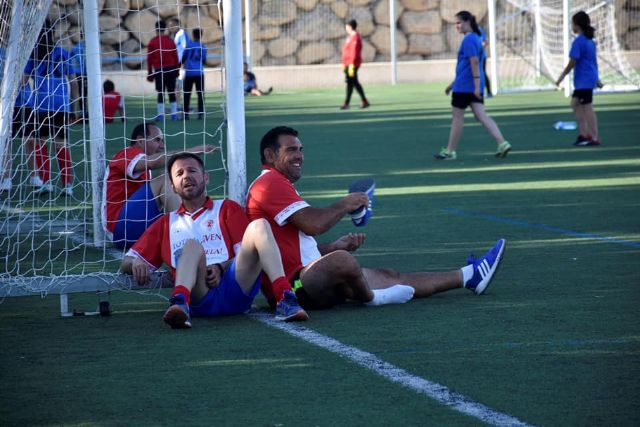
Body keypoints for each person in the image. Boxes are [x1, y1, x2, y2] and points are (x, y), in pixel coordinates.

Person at [246, 126, 507, 311]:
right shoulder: (269, 183)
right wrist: (347, 204)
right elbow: (313, 224)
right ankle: (373, 299)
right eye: (291, 150)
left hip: (307, 275)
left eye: (301, 149)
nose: (300, 156)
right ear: (270, 156)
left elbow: (290, 247)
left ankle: (469, 275)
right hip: (296, 286)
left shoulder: (279, 183)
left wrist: (330, 247)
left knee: (388, 273)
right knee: (342, 261)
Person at [121, 152, 309, 328]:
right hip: (199, 295)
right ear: (172, 187)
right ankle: (180, 303)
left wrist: (220, 267)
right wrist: (136, 262)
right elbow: (127, 262)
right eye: (179, 173)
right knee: (192, 246)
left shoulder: (227, 208)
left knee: (259, 225)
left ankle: (285, 298)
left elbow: (245, 253)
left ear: (206, 178)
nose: (186, 176)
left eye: (192, 171)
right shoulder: (164, 223)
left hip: (235, 287)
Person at [102, 122, 216, 249]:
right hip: (120, 229)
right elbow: (153, 162)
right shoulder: (126, 153)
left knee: (171, 177)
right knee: (166, 178)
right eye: (157, 140)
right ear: (140, 140)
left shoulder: (146, 171)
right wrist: (192, 151)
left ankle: (196, 227)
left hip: (137, 227)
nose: (162, 145)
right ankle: (184, 235)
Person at [435, 11, 511, 161]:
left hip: (465, 87)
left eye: (459, 22)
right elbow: (466, 67)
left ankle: (450, 151)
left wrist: (475, 85)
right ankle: (502, 143)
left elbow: (474, 62)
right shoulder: (477, 37)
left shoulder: (469, 39)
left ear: (467, 22)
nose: (457, 26)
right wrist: (453, 84)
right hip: (471, 84)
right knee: (481, 115)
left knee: (457, 118)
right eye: (455, 23)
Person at [31, 25, 76, 196]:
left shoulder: (34, 54)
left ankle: (46, 183)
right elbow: (73, 81)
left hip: (42, 105)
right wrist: (75, 107)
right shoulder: (63, 53)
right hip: (61, 105)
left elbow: (24, 79)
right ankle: (67, 186)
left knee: (40, 143)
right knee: (61, 144)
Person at [555, 11, 603, 147]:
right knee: (575, 104)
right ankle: (584, 134)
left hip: (584, 80)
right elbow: (594, 62)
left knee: (587, 108)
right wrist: (597, 79)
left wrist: (561, 77)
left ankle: (594, 137)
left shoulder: (579, 42)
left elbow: (572, 62)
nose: (572, 26)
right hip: (586, 79)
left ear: (577, 26)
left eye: (573, 24)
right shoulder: (589, 42)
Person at [146, 20, 180, 121]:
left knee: (161, 92)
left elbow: (149, 58)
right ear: (165, 29)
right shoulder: (170, 40)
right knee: (171, 92)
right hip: (171, 69)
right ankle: (174, 115)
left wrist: (149, 72)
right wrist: (177, 69)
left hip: (159, 69)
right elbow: (175, 56)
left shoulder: (153, 41)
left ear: (156, 29)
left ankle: (161, 115)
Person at [340, 19, 369, 110]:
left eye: (347, 26)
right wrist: (344, 64)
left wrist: (352, 64)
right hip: (348, 64)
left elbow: (354, 52)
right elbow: (346, 51)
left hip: (353, 64)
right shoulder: (350, 37)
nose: (346, 28)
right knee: (353, 83)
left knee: (351, 83)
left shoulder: (355, 37)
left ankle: (347, 103)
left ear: (350, 26)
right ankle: (364, 101)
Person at [181, 28, 207, 120]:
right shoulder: (203, 46)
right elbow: (204, 60)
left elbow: (183, 58)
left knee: (187, 94)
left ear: (192, 35)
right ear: (201, 35)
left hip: (189, 73)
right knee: (200, 94)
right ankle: (200, 113)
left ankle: (185, 114)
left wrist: (183, 65)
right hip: (199, 73)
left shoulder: (188, 45)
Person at [167, 18, 189, 112]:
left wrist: (183, 63)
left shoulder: (181, 33)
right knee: (177, 85)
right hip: (176, 63)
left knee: (178, 85)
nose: (170, 27)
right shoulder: (176, 35)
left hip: (180, 64)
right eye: (170, 25)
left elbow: (185, 47)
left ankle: (178, 106)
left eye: (172, 25)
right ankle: (177, 105)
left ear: (177, 24)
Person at [69, 39, 87, 123]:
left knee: (85, 93)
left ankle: (84, 112)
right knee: (79, 92)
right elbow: (81, 61)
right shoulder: (77, 48)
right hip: (78, 73)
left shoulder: (88, 46)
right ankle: (76, 113)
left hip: (85, 73)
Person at [479, 27, 492, 98]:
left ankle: (488, 92)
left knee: (482, 73)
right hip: (475, 57)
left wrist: (478, 49)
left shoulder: (478, 30)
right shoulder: (468, 32)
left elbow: (486, 42)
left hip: (481, 57)